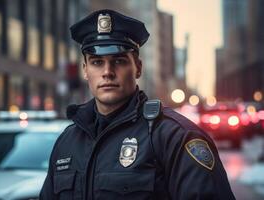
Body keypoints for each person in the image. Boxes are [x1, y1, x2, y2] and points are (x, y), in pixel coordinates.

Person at [40, 9, 236, 200]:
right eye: (97, 62)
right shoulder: (67, 141)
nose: (107, 72)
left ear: (138, 68)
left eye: (119, 61)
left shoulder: (175, 137)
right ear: (85, 70)